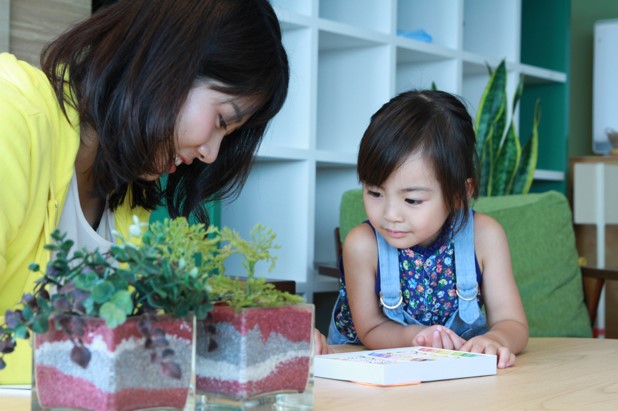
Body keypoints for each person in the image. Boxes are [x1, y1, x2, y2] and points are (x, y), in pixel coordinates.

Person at [0, 0, 289, 384]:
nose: (210, 153)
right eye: (221, 120)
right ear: (169, 61)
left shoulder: (127, 197)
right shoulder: (12, 117)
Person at [327, 90, 529, 368]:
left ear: (459, 194)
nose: (390, 215)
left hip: (452, 380)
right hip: (372, 376)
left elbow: (513, 322)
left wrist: (498, 340)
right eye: (375, 193)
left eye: (412, 200)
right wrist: (415, 337)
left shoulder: (485, 237)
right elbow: (370, 329)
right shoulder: (363, 245)